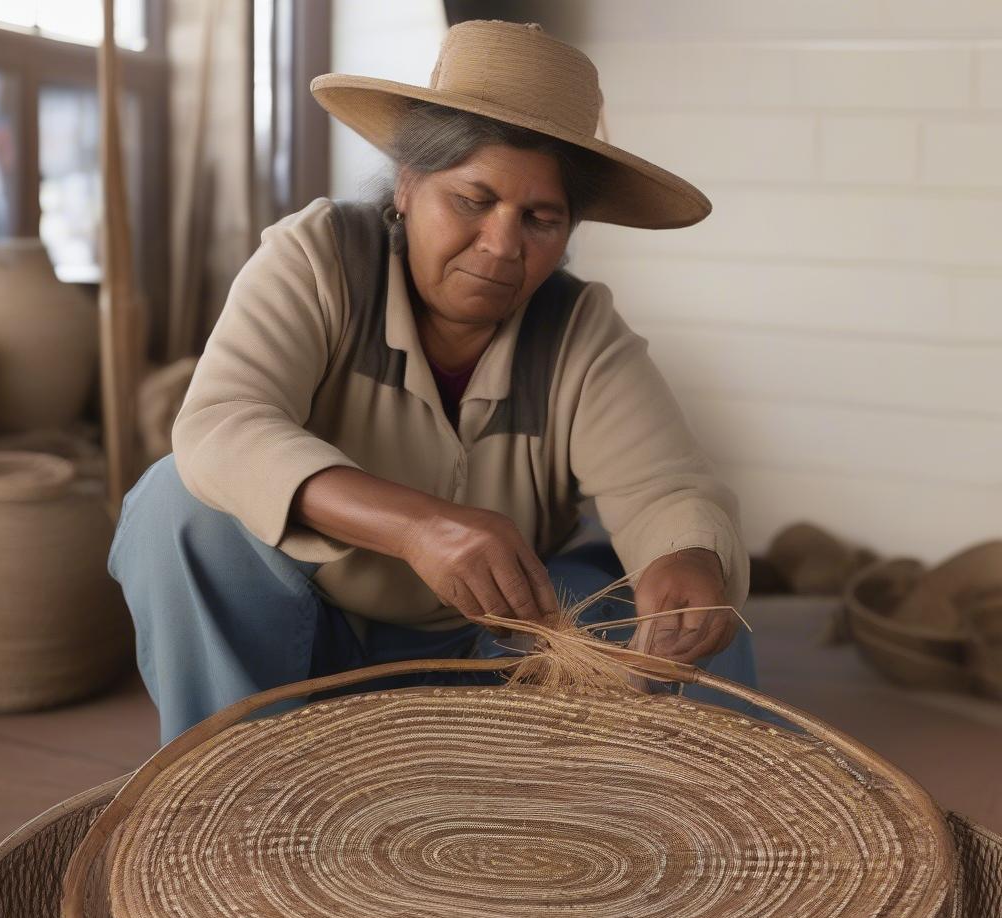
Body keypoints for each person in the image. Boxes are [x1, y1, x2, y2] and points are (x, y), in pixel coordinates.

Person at [109, 19, 759, 745]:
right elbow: (222, 425)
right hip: (303, 640)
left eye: (540, 219)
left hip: (491, 658)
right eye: (474, 201)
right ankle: (231, 787)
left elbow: (666, 490)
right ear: (409, 184)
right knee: (176, 506)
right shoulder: (318, 258)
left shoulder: (580, 331)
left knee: (684, 621)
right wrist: (416, 526)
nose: (502, 245)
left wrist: (687, 566)